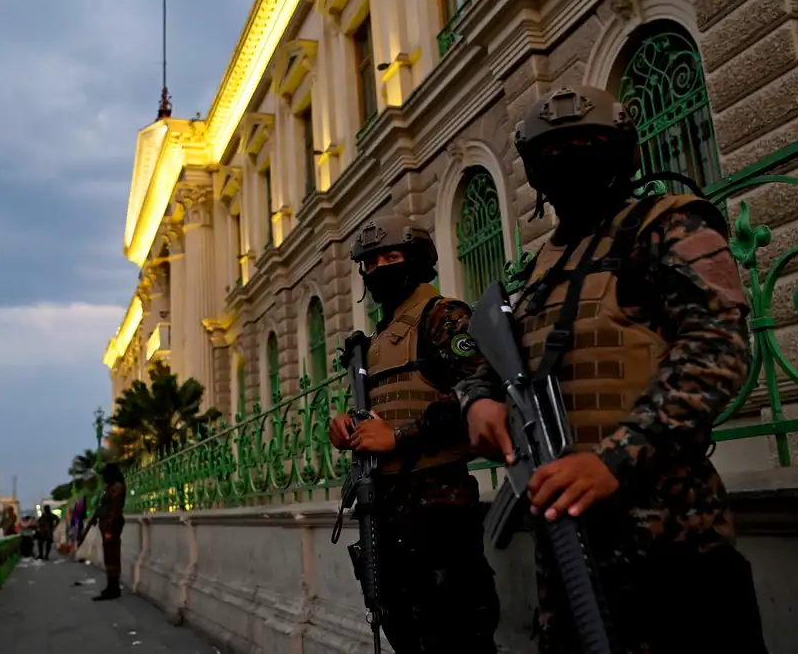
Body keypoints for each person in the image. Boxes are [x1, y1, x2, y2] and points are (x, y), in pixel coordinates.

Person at [456, 84, 768, 654]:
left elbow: (716, 350)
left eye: (588, 146)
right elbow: (496, 361)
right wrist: (479, 399)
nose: (570, 161)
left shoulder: (669, 226)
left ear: (622, 153)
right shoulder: (542, 267)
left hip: (671, 542)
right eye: (553, 153)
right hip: (566, 545)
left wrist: (612, 460)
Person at [327, 214, 500, 653]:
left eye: (390, 257)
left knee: (456, 634)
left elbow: (479, 390)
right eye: (370, 262)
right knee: (402, 629)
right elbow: (385, 406)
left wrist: (399, 438)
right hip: (386, 505)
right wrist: (349, 424)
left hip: (438, 504)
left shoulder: (443, 315)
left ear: (417, 259)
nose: (378, 269)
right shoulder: (379, 339)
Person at [88, 463, 126, 601]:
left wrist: (110, 529)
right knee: (108, 557)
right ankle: (111, 586)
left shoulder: (117, 487)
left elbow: (115, 510)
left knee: (112, 556)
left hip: (112, 526)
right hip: (106, 525)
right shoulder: (109, 488)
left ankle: (114, 588)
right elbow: (102, 506)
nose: (103, 477)